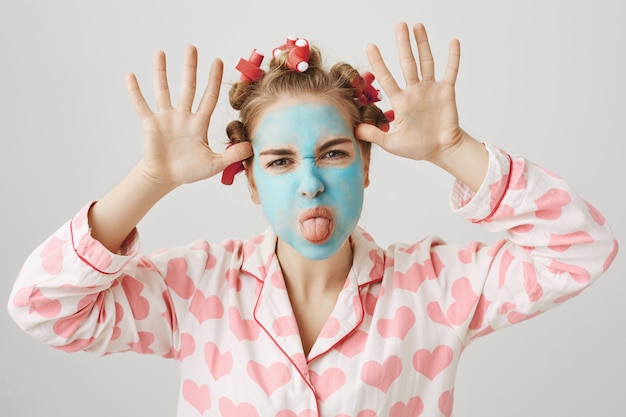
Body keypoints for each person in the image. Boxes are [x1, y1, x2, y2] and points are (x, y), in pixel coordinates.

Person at [7, 22, 618, 417]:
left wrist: (451, 147)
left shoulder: (434, 288)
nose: (311, 182)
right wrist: (150, 181)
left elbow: (581, 249)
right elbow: (42, 307)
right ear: (249, 181)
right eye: (278, 161)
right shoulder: (196, 290)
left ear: (367, 167)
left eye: (333, 153)